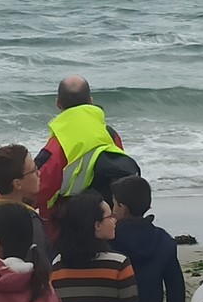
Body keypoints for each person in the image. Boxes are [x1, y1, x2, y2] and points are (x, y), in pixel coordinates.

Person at [36, 75, 136, 222]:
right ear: (91, 101)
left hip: (70, 224)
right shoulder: (110, 134)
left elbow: (39, 189)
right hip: (109, 219)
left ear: (58, 103)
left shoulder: (57, 144)